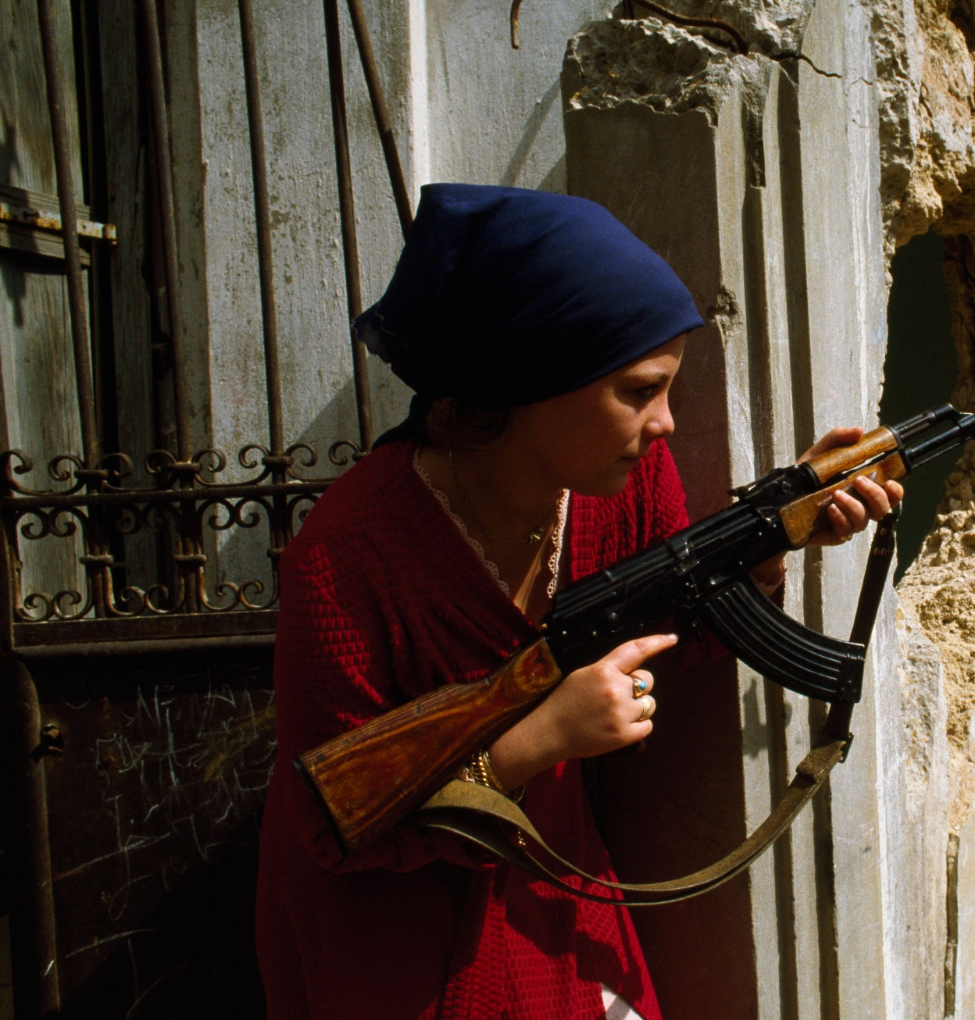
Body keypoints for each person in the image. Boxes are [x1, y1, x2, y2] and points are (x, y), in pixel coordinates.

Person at [255, 184, 901, 1020]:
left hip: (552, 897)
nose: (666, 422)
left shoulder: (616, 486)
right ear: (530, 375)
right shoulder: (343, 557)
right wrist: (543, 736)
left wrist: (776, 529)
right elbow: (328, 819)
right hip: (391, 941)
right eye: (639, 391)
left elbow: (678, 625)